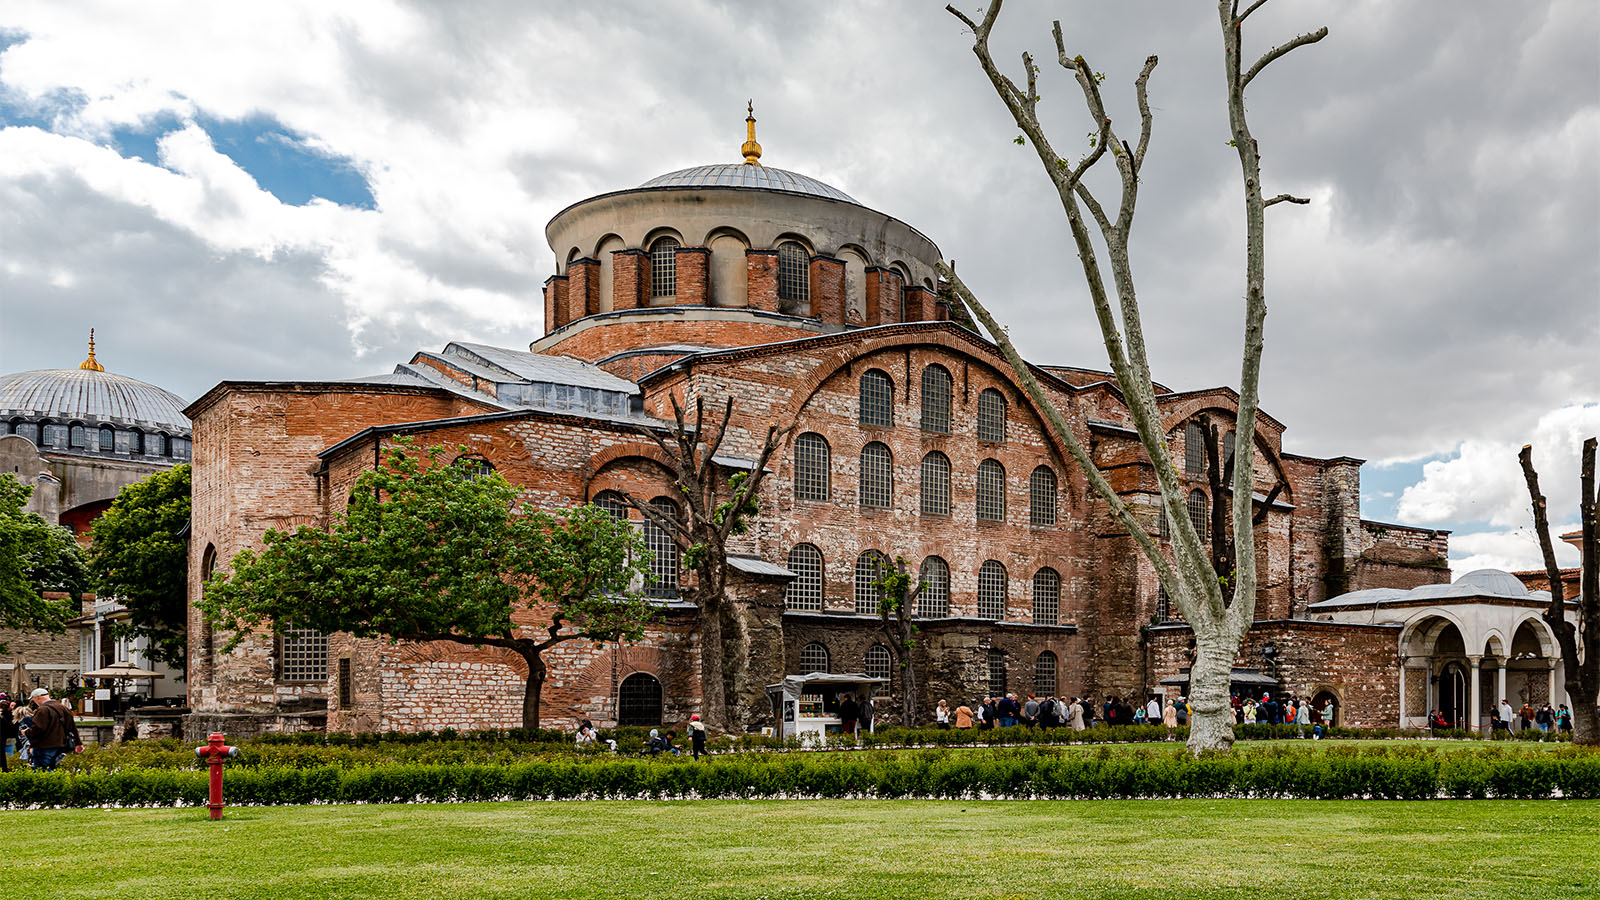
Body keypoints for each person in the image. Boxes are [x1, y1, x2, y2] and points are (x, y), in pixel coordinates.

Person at [24, 688, 81, 771]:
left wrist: (26, 732)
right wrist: (78, 743)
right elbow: (72, 727)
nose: (33, 701)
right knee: (51, 767)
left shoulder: (42, 710)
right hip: (60, 744)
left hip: (44, 745)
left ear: (37, 698)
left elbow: (38, 729)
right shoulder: (63, 707)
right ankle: (56, 782)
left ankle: (52, 783)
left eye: (33, 699)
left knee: (42, 770)